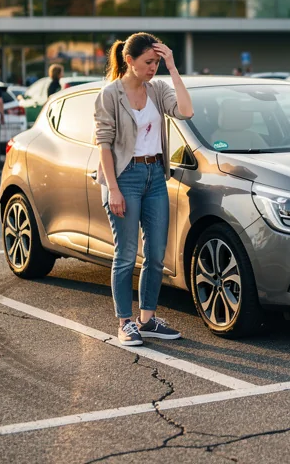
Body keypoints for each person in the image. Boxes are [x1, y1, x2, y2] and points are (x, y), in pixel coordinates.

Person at [94, 32, 193, 346]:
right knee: (125, 254)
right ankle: (125, 322)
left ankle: (147, 320)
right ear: (129, 60)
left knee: (155, 254)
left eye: (157, 62)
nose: (153, 68)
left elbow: (186, 111)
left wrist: (173, 68)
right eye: (149, 62)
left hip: (155, 176)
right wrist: (113, 189)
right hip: (124, 177)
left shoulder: (158, 89)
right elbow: (103, 144)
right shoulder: (110, 94)